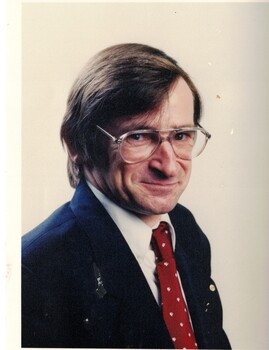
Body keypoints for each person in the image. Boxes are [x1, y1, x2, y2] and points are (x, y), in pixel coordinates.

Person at [22, 43, 231, 349]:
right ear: (76, 143)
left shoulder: (184, 230)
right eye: (138, 137)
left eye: (181, 135)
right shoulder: (35, 272)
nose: (169, 166)